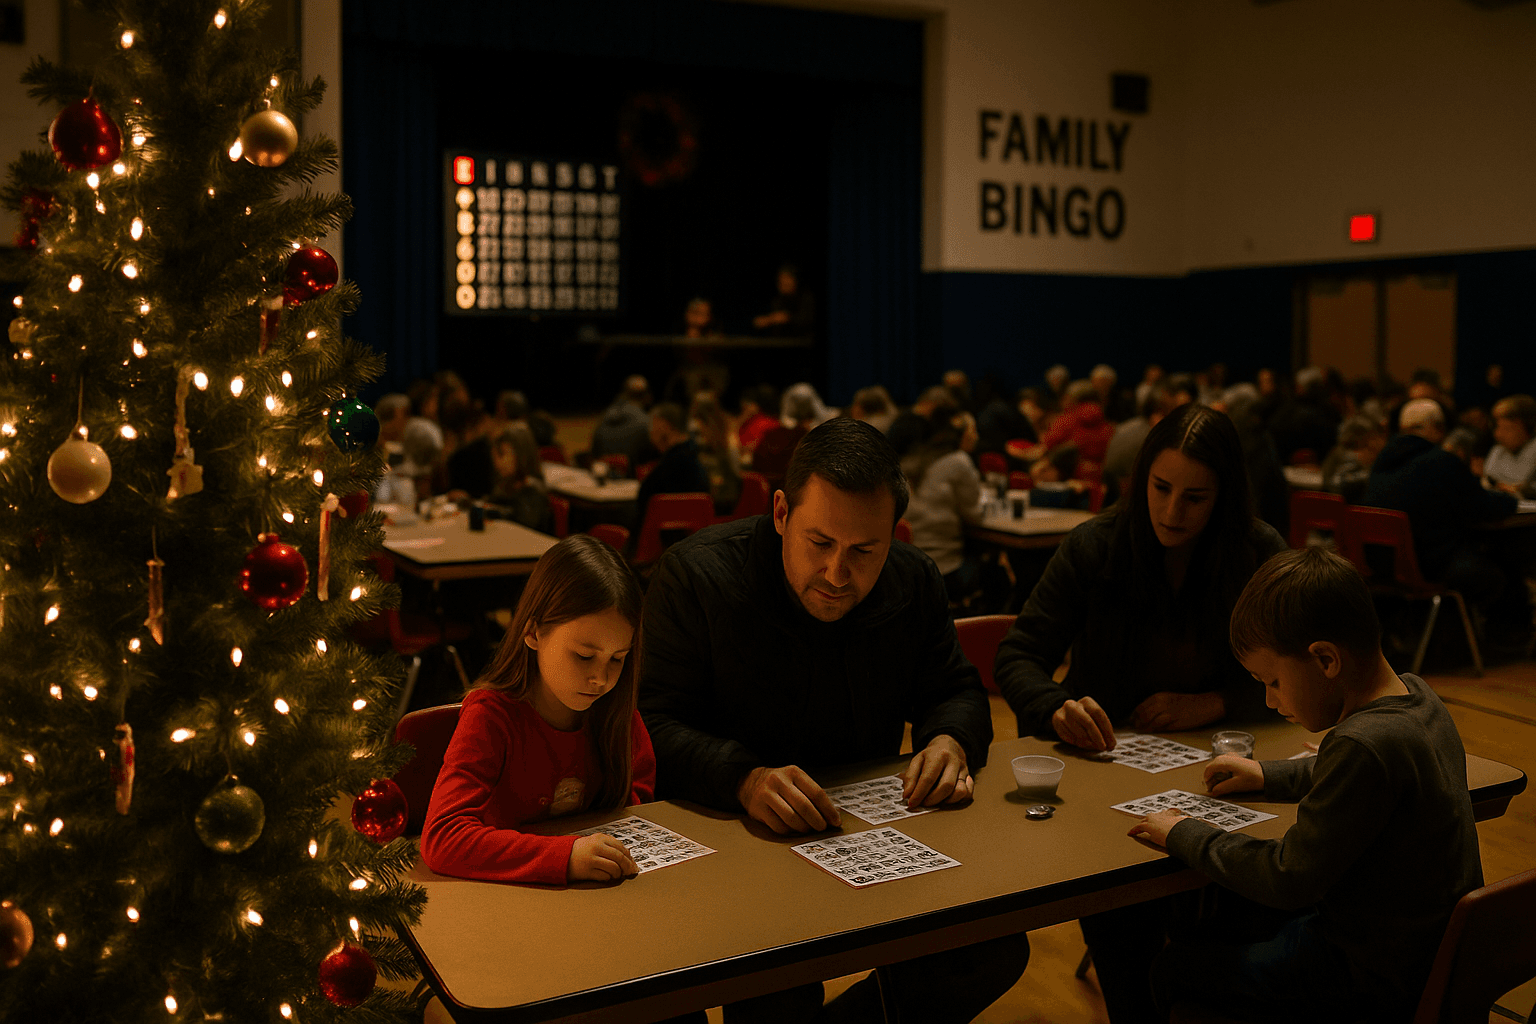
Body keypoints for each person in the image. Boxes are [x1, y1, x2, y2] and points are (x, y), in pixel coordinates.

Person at [639, 417, 1029, 1023]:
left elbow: (954, 689)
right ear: (779, 513)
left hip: (863, 837)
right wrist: (744, 779)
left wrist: (949, 738)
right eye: (820, 543)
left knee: (989, 949)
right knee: (776, 993)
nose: (838, 574)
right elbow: (650, 725)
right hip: (736, 850)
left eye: (865, 551)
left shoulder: (914, 579)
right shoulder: (698, 577)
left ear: (892, 535)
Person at [993, 402, 1287, 1024]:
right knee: (1127, 923)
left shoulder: (1256, 551)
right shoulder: (1095, 545)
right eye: (1160, 489)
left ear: (1225, 498)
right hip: (1105, 779)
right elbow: (1019, 655)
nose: (1172, 512)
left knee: (1255, 907)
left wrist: (1216, 701)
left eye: (1195, 497)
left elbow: (1297, 672)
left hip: (1226, 776)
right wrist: (1056, 706)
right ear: (1140, 478)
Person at [1131, 547, 1481, 1024]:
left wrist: (1183, 832)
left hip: (1365, 979)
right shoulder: (1418, 698)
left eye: (1271, 680)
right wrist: (1267, 773)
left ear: (1325, 660)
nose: (1269, 700)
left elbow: (1287, 876)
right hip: (1421, 954)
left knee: (1173, 967)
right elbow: (1363, 781)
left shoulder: (1362, 743)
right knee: (1221, 925)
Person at [420, 535, 655, 886]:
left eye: (617, 659)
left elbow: (639, 806)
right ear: (532, 632)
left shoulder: (615, 711)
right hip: (501, 901)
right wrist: (565, 856)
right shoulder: (491, 716)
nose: (601, 679)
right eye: (584, 656)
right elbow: (443, 838)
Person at [1363, 398, 1516, 631]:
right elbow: (1481, 506)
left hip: (1383, 565)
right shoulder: (1440, 462)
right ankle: (1501, 639)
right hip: (1428, 565)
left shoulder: (1381, 462)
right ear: (1437, 428)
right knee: (1503, 564)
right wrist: (1510, 500)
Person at [901, 408, 993, 605]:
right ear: (959, 434)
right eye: (972, 430)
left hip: (905, 566)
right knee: (997, 573)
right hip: (943, 569)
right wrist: (989, 507)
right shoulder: (958, 461)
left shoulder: (915, 458)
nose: (976, 436)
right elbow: (974, 517)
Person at [634, 403, 711, 526]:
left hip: (659, 543)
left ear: (663, 425)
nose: (650, 432)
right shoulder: (694, 458)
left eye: (652, 426)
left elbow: (642, 503)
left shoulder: (668, 467)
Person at [486, 422, 551, 531]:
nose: (496, 463)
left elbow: (523, 527)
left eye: (502, 454)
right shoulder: (507, 482)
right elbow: (493, 504)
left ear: (521, 454)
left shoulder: (533, 490)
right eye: (494, 457)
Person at [590, 375, 657, 469]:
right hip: (633, 479)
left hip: (604, 477)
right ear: (647, 396)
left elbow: (595, 453)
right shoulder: (647, 423)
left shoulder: (603, 418)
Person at [1321, 414, 1386, 505]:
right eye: (1380, 436)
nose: (1384, 441)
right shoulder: (1350, 459)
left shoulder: (1338, 454)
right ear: (1369, 439)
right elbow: (1335, 486)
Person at [1485, 393, 1536, 495]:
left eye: (1506, 429)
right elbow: (1487, 483)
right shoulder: (1498, 451)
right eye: (1497, 427)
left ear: (1525, 426)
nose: (1498, 435)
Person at [751, 262, 814, 337]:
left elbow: (808, 320)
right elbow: (773, 324)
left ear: (796, 281)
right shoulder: (777, 301)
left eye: (787, 279)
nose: (784, 283)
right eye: (781, 281)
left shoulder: (807, 298)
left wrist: (788, 318)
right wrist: (766, 321)